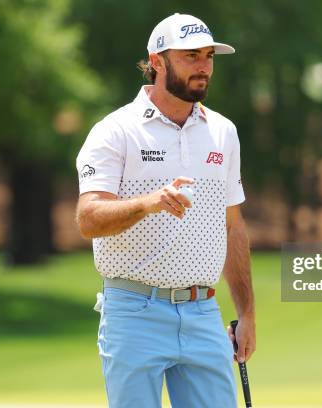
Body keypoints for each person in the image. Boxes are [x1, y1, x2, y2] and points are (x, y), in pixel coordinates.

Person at [75, 13, 255, 408]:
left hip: (204, 313)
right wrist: (147, 203)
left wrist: (246, 313)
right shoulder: (116, 130)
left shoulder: (223, 131)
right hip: (133, 312)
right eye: (191, 55)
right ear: (157, 61)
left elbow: (232, 227)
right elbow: (88, 218)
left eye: (208, 55)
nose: (204, 65)